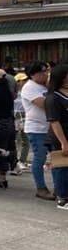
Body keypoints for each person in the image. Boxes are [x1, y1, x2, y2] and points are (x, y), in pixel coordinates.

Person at [21, 62, 54, 200]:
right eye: (42, 72)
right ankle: (41, 187)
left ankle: (59, 186)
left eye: (47, 71)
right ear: (33, 75)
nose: (46, 74)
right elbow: (44, 104)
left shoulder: (45, 86)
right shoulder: (29, 87)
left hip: (51, 126)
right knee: (39, 157)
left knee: (56, 158)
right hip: (36, 128)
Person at [44, 64, 68, 210]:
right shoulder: (53, 98)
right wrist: (64, 142)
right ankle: (62, 197)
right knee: (62, 167)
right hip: (60, 137)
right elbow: (54, 121)